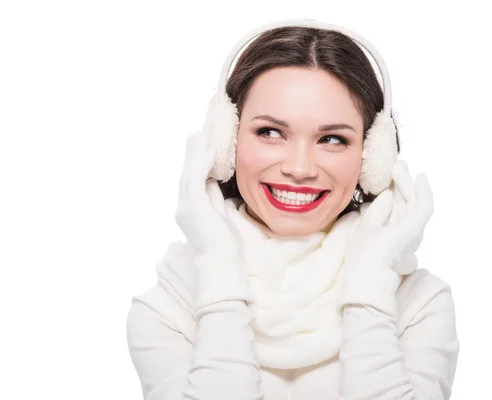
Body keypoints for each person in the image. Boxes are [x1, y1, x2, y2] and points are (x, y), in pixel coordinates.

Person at [126, 19, 459, 400]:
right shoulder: (170, 306)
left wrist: (370, 286)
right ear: (226, 140)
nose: (299, 168)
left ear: (372, 156)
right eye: (270, 132)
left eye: (332, 139)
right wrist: (218, 266)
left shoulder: (418, 304)